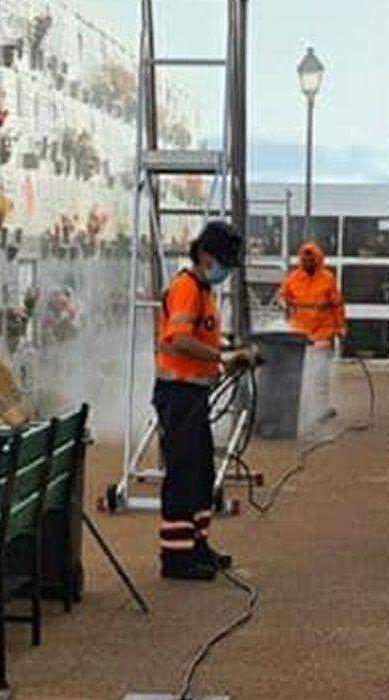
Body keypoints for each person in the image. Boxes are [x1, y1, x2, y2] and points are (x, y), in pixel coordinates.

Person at [154, 220, 253, 581]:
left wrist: (232, 351)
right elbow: (178, 339)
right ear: (206, 255)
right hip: (178, 396)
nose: (225, 270)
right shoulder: (186, 289)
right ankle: (176, 558)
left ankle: (197, 546)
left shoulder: (204, 291)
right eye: (224, 261)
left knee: (201, 474)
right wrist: (220, 359)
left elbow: (203, 339)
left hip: (193, 395)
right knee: (182, 476)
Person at [278, 241, 346, 423]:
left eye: (311, 259)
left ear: (318, 260)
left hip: (322, 333)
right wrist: (283, 303)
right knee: (298, 374)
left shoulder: (327, 279)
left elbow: (337, 306)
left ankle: (320, 409)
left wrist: (341, 327)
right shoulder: (293, 277)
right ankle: (301, 407)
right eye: (305, 259)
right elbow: (282, 295)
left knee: (319, 375)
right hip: (299, 334)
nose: (308, 262)